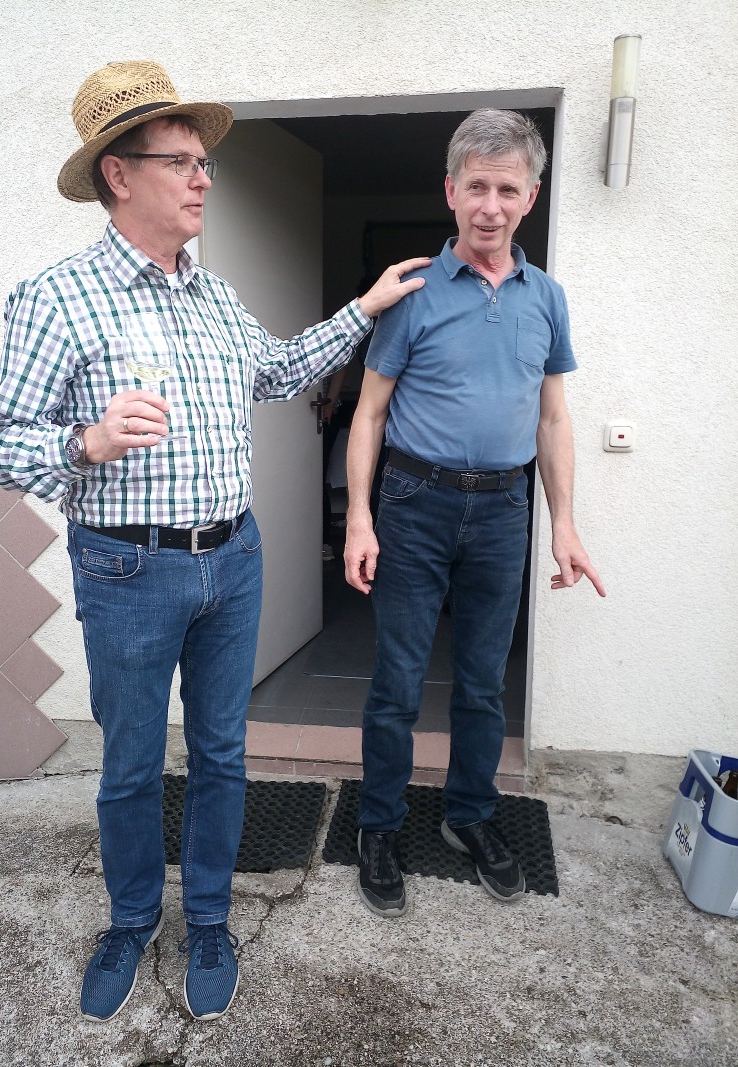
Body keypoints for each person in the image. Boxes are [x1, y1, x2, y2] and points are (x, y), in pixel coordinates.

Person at [0, 60, 427, 1021]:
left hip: (236, 557)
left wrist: (366, 307)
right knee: (133, 763)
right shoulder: (57, 298)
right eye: (181, 161)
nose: (204, 179)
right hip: (126, 568)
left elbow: (278, 372)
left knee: (223, 753)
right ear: (118, 174)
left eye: (204, 162)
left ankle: (210, 920)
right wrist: (85, 440)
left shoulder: (215, 296)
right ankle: (132, 920)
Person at [344, 108, 606, 918]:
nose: (491, 206)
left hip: (501, 510)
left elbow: (553, 417)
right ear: (451, 191)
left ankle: (469, 815)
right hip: (413, 504)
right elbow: (370, 414)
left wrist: (563, 522)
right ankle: (379, 824)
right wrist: (359, 518)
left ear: (531, 197)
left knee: (485, 684)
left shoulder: (547, 297)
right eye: (477, 187)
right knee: (397, 681)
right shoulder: (414, 293)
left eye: (507, 189)